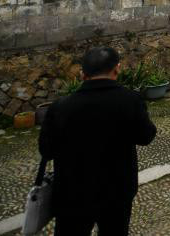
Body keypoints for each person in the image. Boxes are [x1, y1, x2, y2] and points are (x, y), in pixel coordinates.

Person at [38, 47, 157, 235]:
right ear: (117, 69)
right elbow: (146, 136)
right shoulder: (130, 100)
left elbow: (47, 150)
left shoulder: (61, 107)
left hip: (72, 192)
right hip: (117, 191)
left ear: (82, 74)